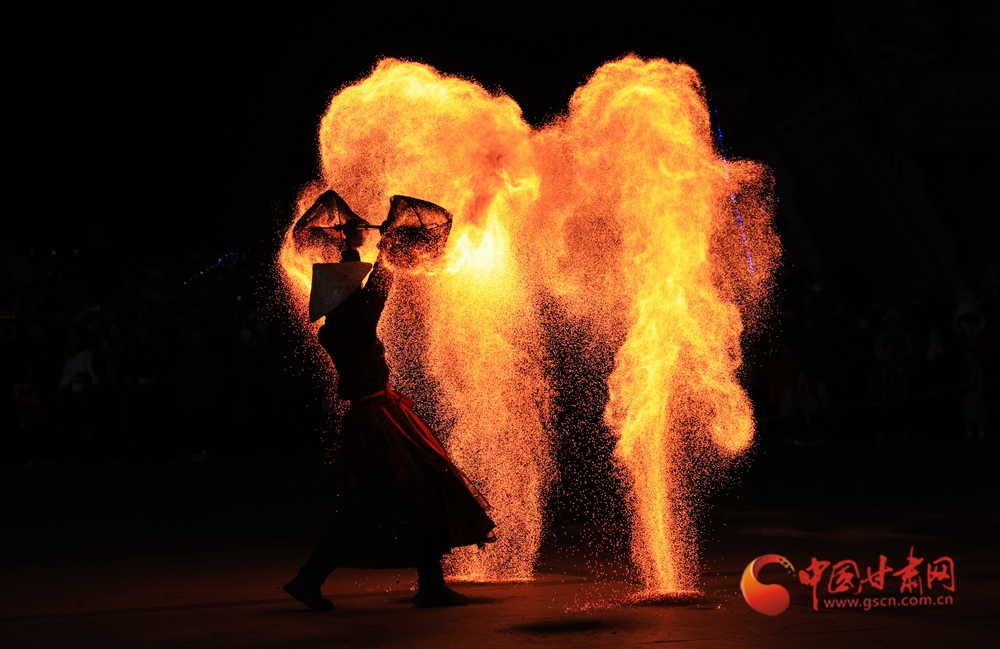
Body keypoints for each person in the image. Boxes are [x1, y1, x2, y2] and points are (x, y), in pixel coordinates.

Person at [284, 191, 495, 611]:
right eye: (352, 282)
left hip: (376, 414)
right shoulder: (350, 324)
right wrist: (385, 251)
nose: (358, 286)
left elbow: (366, 295)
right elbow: (375, 294)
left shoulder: (338, 324)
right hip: (376, 420)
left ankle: (425, 584)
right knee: (392, 497)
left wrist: (361, 248)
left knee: (412, 493)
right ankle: (314, 578)